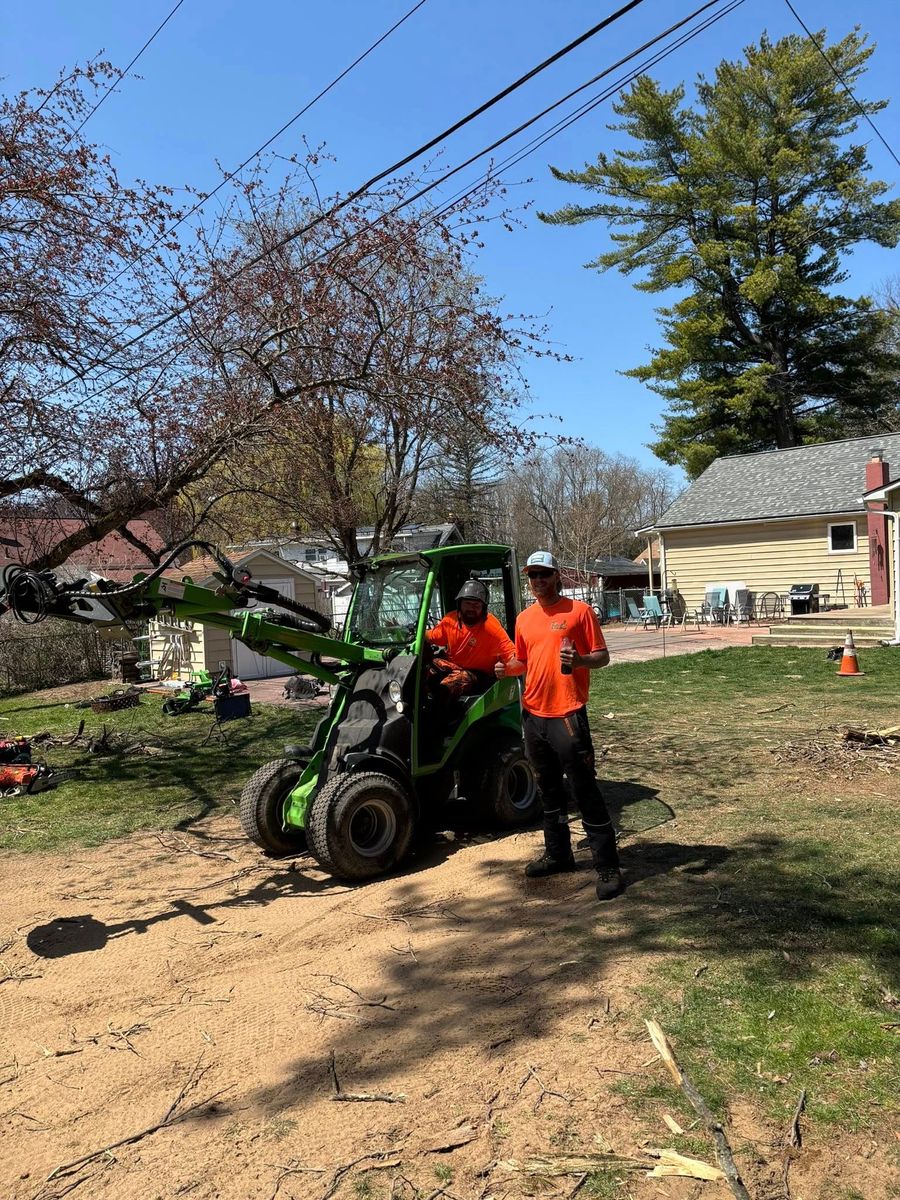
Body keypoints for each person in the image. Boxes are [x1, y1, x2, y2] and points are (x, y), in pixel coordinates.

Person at [495, 550, 623, 902]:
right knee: (547, 789)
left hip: (567, 714)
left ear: (556, 576)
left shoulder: (578, 612)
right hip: (533, 714)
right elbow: (523, 660)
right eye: (532, 575)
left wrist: (580, 659)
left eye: (543, 574)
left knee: (584, 789)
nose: (537, 580)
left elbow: (603, 656)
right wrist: (508, 669)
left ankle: (607, 866)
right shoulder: (523, 619)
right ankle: (558, 854)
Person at [426, 576, 516, 700]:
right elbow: (431, 636)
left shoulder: (491, 627)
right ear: (460, 604)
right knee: (426, 665)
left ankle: (438, 708)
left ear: (483, 608)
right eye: (467, 603)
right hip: (454, 666)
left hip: (478, 675)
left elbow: (512, 655)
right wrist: (417, 638)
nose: (471, 608)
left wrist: (506, 667)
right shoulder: (450, 620)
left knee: (455, 682)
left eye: (476, 605)